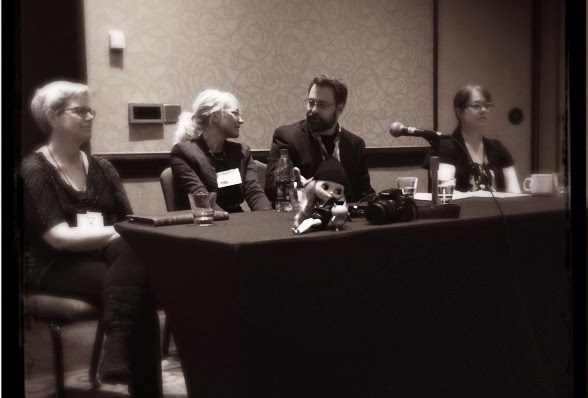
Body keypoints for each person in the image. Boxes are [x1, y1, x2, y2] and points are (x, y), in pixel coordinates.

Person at [20, 81, 161, 397]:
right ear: (53, 117)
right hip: (52, 264)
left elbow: (128, 223)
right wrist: (118, 233)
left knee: (133, 263)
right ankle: (143, 384)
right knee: (138, 290)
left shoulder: (103, 168)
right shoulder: (34, 169)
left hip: (107, 257)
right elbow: (58, 238)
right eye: (80, 110)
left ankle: (117, 349)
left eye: (90, 110)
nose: (89, 117)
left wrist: (122, 233)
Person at [265, 74, 375, 204]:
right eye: (311, 102)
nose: (314, 110)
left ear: (339, 108)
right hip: (301, 218)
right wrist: (306, 190)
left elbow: (365, 193)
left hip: (344, 218)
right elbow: (272, 188)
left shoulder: (355, 144)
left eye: (322, 105)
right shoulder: (287, 137)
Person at [171, 89, 272, 213]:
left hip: (237, 221)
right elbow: (202, 199)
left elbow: (254, 192)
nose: (241, 120)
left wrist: (268, 216)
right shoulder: (183, 153)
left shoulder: (241, 152)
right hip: (202, 223)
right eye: (235, 113)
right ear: (215, 117)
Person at [428, 84, 521, 193]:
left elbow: (515, 194)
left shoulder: (498, 148)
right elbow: (445, 192)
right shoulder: (445, 146)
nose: (484, 110)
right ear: (460, 112)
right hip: (462, 209)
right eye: (476, 106)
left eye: (487, 105)